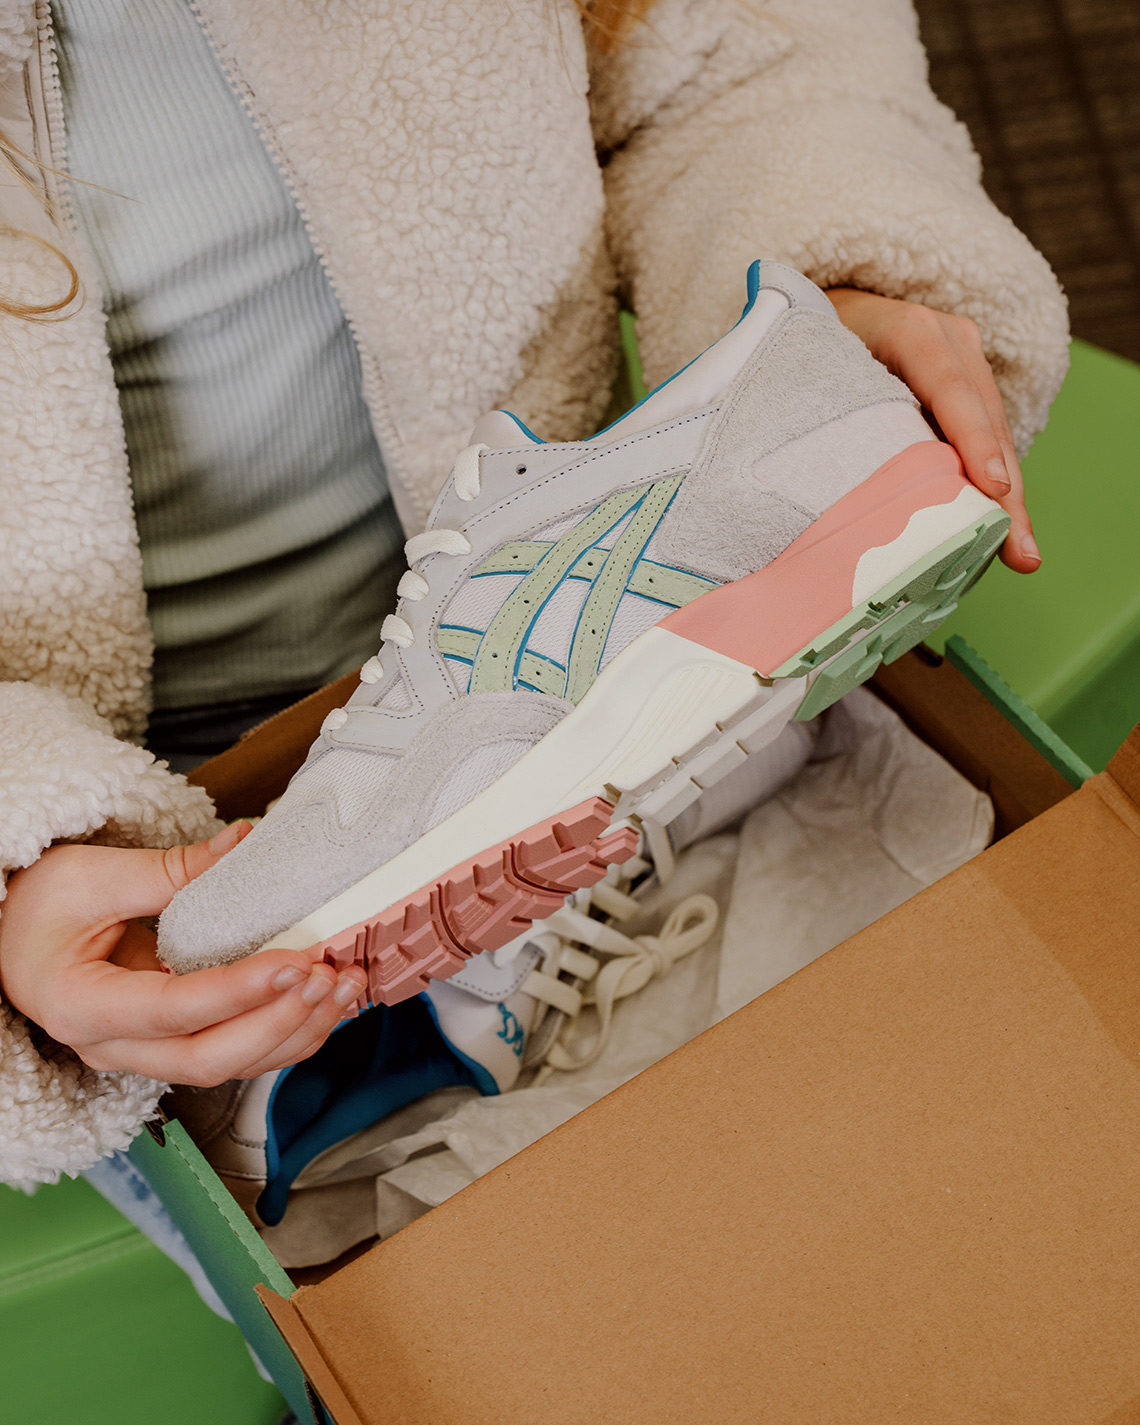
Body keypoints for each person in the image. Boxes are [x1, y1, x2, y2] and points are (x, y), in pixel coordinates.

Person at [0, 0, 1068, 1190]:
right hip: (122, 822)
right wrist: (18, 854)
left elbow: (750, 55)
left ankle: (656, 526)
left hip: (550, 571)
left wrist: (842, 277)